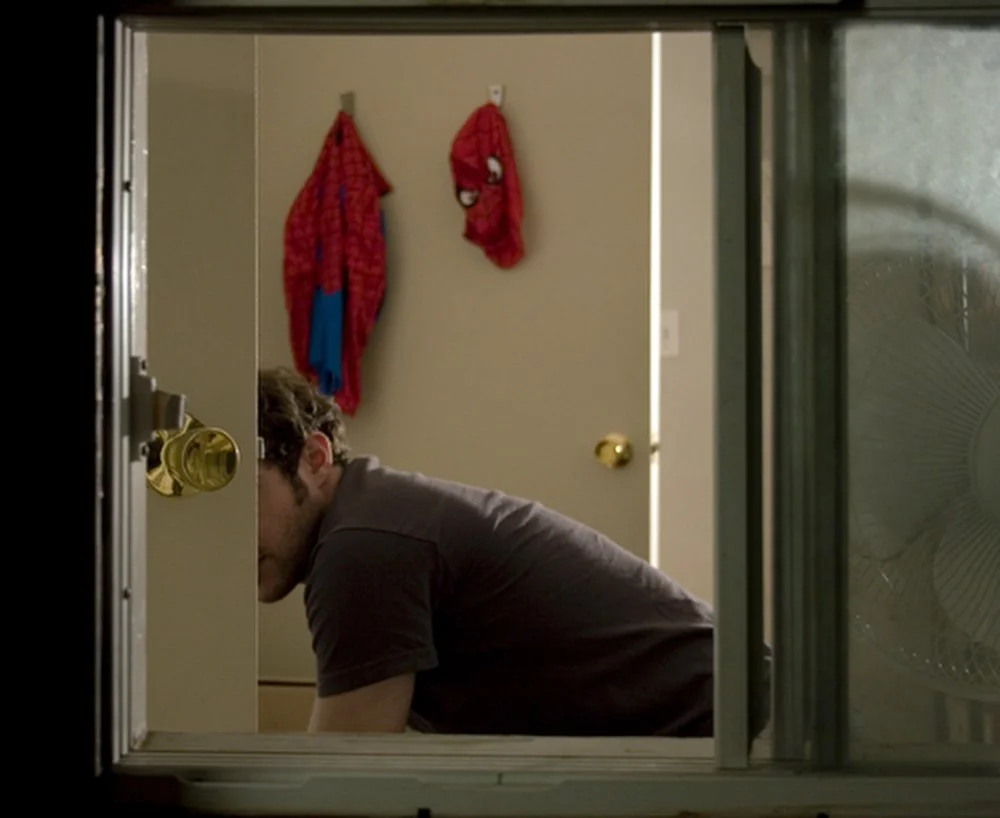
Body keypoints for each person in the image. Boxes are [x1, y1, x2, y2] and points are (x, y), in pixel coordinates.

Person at [257, 366, 753, 737]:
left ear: (315, 458)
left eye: (250, 494)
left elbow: (345, 786)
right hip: (735, 724)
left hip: (743, 741)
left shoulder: (363, 547)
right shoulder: (375, 512)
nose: (234, 537)